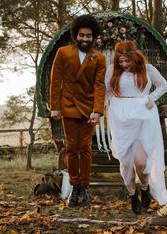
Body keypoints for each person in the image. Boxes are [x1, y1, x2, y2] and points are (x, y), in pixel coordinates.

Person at [105, 40, 167, 215]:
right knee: (126, 163)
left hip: (144, 117)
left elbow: (164, 85)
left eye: (128, 61)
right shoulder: (112, 71)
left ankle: (144, 187)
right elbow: (104, 91)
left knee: (141, 163)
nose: (124, 65)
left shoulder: (148, 70)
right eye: (121, 62)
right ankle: (132, 193)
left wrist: (152, 98)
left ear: (136, 57)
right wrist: (97, 111)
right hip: (121, 119)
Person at [49, 14, 106, 207]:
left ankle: (84, 188)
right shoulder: (63, 52)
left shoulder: (99, 58)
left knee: (86, 149)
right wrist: (55, 107)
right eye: (81, 35)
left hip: (89, 109)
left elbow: (100, 86)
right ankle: (74, 187)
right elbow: (56, 81)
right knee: (72, 149)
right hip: (68, 106)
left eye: (88, 35)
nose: (84, 39)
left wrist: (98, 110)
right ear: (76, 35)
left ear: (94, 37)